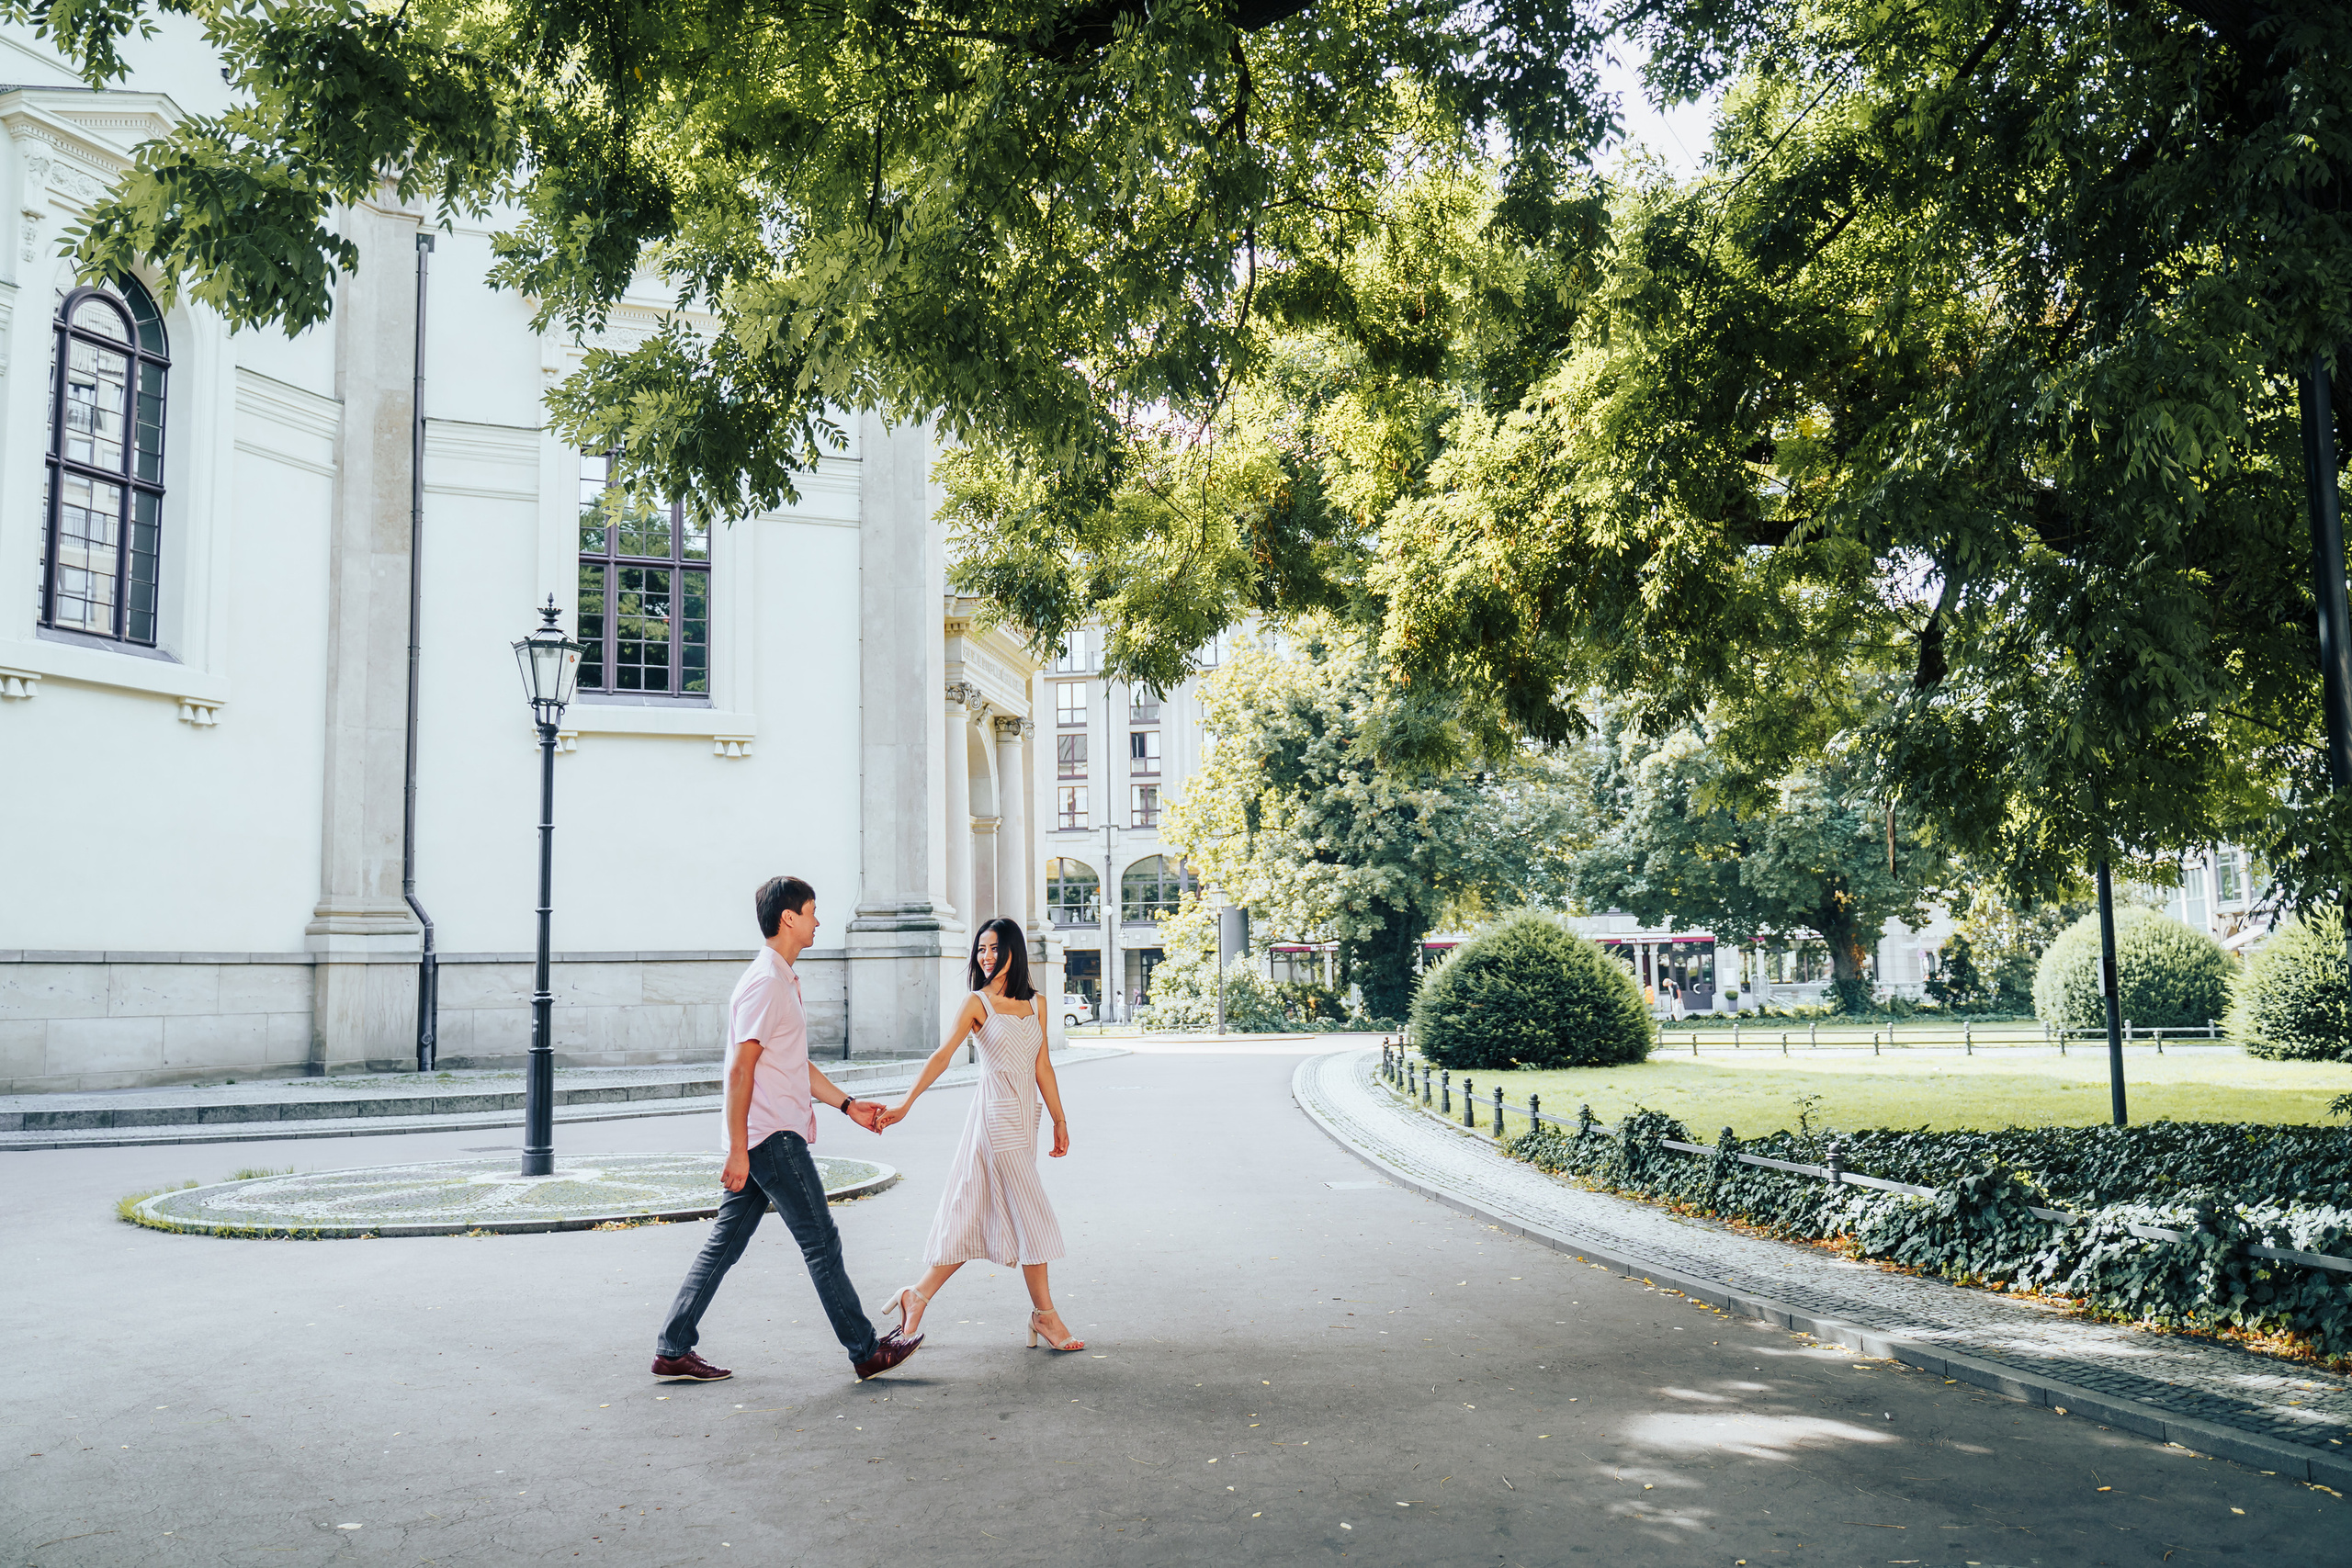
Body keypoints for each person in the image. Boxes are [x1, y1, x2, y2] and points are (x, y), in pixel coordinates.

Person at [650, 875, 922, 1384]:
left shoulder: (781, 979)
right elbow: (740, 1069)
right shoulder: (767, 982)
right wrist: (737, 1149)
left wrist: (847, 1105)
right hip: (770, 1137)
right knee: (821, 1241)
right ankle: (864, 1350)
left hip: (762, 1136)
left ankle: (673, 1346)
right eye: (813, 911)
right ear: (788, 918)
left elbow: (792, 1063)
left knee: (725, 1244)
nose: (819, 921)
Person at [876, 917, 1083, 1352]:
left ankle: (918, 1294)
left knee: (973, 1211)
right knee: (1033, 1211)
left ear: (1013, 950)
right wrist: (905, 1103)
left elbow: (1042, 1065)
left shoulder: (1037, 1004)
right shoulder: (977, 1003)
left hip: (1026, 1117)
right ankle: (1046, 1317)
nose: (985, 957)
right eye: (981, 950)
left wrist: (1060, 1119)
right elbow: (942, 1055)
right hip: (995, 1115)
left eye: (993, 948)